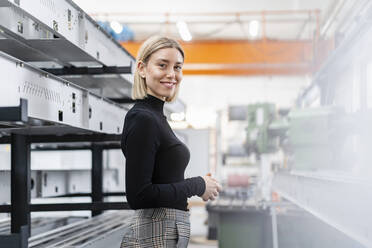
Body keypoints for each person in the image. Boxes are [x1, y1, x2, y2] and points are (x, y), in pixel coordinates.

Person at [120, 36, 222, 248]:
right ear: (142, 68)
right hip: (155, 233)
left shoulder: (156, 117)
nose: (171, 74)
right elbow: (139, 195)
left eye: (177, 67)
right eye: (162, 65)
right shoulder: (143, 119)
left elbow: (161, 180)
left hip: (164, 230)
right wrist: (197, 184)